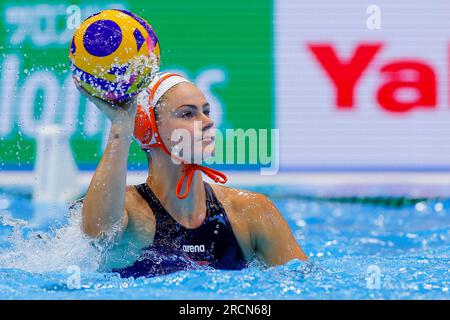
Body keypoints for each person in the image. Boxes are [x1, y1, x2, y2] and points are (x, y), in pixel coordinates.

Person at [77, 72, 307, 277]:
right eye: (187, 114)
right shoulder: (130, 212)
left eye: (206, 112)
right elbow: (98, 233)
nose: (208, 122)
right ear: (148, 129)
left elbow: (307, 286)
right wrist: (121, 126)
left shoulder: (252, 212)